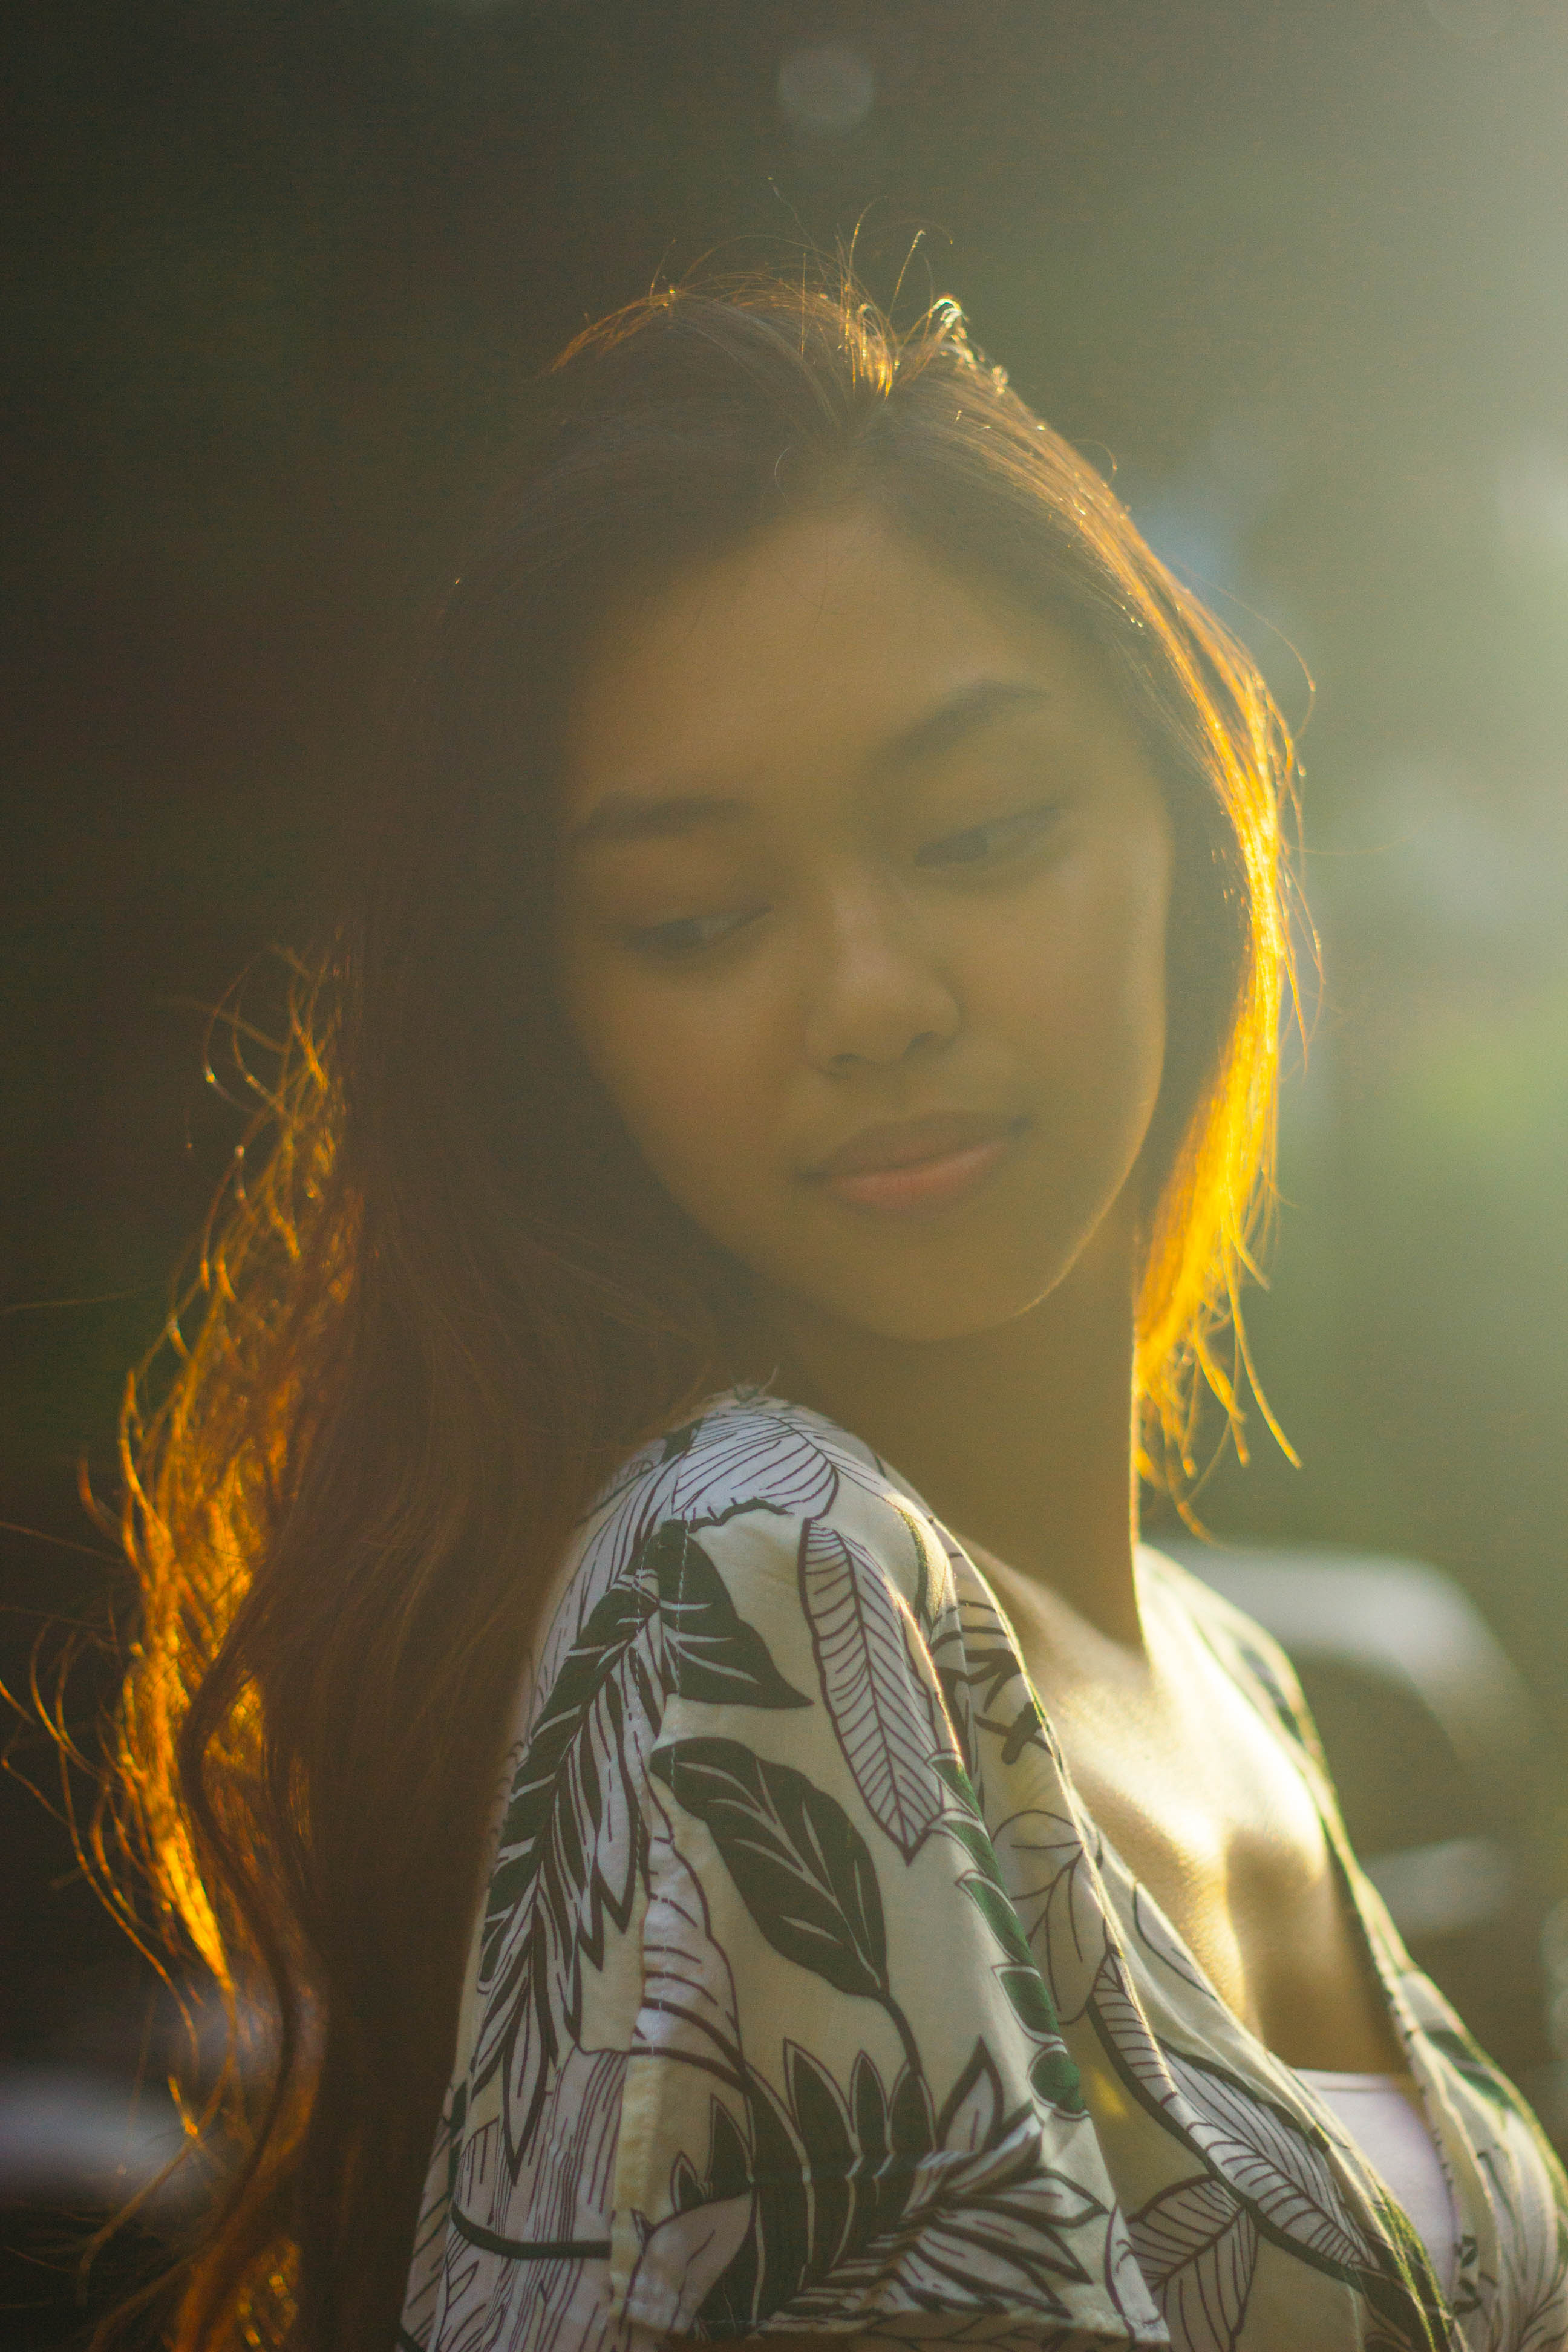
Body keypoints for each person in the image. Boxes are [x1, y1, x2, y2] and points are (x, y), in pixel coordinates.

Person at [110, 271, 1567, 2352]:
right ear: (571, 1027)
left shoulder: (1244, 1681)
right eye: (697, 919)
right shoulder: (761, 1571)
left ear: (1193, 821)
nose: (873, 996)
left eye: (980, 831)